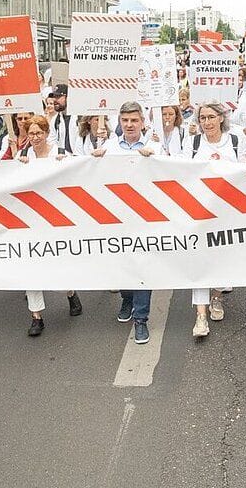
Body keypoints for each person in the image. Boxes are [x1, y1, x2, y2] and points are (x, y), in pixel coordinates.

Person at [181, 102, 246, 337]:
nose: (206, 122)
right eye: (202, 118)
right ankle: (200, 317)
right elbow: (181, 172)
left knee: (223, 259)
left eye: (211, 117)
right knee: (199, 261)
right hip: (199, 211)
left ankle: (217, 297)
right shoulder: (192, 143)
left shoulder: (237, 140)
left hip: (228, 213)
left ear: (221, 118)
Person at [94, 102, 157, 344]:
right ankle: (127, 298)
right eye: (125, 121)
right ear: (119, 122)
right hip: (116, 219)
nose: (129, 125)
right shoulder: (109, 147)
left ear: (142, 122)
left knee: (142, 268)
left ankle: (141, 319)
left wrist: (155, 159)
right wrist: (93, 159)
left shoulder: (154, 146)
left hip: (145, 219)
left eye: (134, 120)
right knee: (121, 263)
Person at [17, 115, 82, 333]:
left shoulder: (60, 153)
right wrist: (18, 167)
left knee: (57, 263)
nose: (35, 137)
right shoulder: (22, 155)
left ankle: (70, 292)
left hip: (56, 218)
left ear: (46, 133)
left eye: (38, 133)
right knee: (30, 267)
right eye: (31, 133)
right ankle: (36, 316)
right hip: (30, 219)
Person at [47, 84, 79, 154]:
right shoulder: (55, 120)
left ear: (68, 97)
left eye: (58, 97)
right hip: (63, 160)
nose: (55, 100)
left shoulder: (80, 117)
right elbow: (51, 142)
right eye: (54, 97)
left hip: (81, 160)